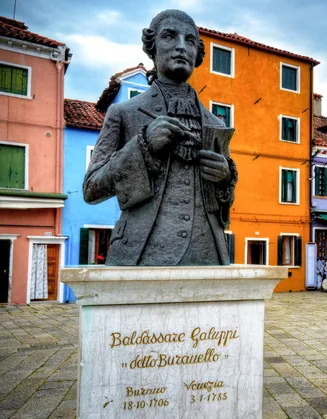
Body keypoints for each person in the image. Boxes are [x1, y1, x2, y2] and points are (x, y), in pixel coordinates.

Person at [83, 10, 237, 266]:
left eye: (189, 40)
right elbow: (91, 189)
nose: (180, 46)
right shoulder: (123, 113)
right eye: (169, 36)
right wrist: (142, 147)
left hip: (208, 252)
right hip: (141, 251)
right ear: (151, 47)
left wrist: (224, 179)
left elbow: (225, 204)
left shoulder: (215, 123)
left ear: (197, 54)